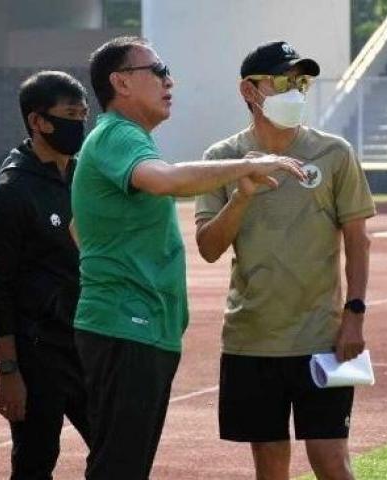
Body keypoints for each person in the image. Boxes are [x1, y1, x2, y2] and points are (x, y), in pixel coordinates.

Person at [71, 36, 306, 480]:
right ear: (121, 82)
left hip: (139, 325)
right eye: (157, 71)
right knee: (119, 467)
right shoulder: (118, 135)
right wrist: (245, 164)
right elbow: (165, 181)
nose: (169, 80)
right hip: (128, 326)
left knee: (124, 463)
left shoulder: (122, 139)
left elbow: (78, 228)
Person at [195, 40, 376, 480]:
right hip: (252, 338)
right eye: (281, 80)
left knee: (331, 459)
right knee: (270, 464)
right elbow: (208, 246)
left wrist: (354, 313)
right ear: (249, 91)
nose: (294, 90)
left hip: (323, 338)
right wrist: (243, 191)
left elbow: (358, 239)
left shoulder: (334, 153)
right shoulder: (221, 159)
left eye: (301, 80)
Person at [0, 71, 91, 479]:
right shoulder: (12, 194)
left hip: (88, 342)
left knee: (118, 448)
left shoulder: (86, 178)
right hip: (38, 351)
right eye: (69, 114)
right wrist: (8, 373)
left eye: (83, 114)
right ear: (38, 121)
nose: (79, 123)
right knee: (35, 459)